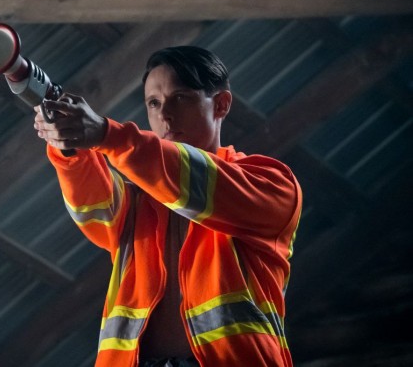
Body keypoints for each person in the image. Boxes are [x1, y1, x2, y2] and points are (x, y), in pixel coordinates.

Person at [33, 46, 302, 367]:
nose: (164, 114)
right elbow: (93, 204)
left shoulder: (272, 185)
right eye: (154, 103)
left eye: (181, 98)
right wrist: (70, 147)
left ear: (221, 104)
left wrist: (107, 135)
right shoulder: (138, 204)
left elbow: (193, 180)